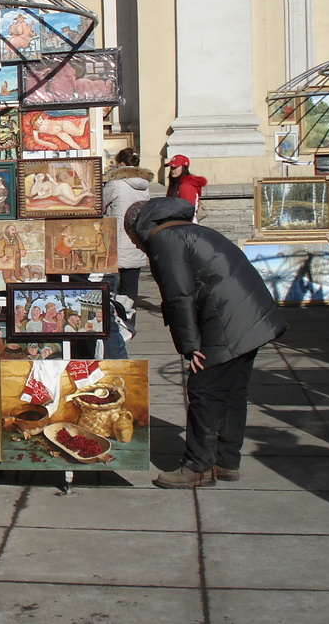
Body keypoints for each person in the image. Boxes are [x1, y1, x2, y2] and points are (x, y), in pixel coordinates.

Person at [123, 197, 288, 489]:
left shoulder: (165, 238)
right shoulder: (185, 229)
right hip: (250, 314)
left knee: (204, 390)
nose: (136, 247)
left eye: (133, 241)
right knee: (232, 391)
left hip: (228, 319)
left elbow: (179, 294)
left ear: (137, 229)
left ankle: (198, 466)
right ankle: (226, 461)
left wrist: (190, 346)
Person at [103, 147, 154, 326]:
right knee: (130, 288)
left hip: (115, 243)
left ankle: (112, 323)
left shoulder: (116, 184)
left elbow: (99, 204)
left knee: (108, 287)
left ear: (122, 164)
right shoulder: (144, 186)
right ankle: (129, 324)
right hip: (135, 243)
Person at [164, 154, 207, 221]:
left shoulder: (186, 187)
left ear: (184, 168)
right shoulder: (177, 185)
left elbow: (188, 211)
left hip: (185, 226)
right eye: (171, 167)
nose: (172, 170)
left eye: (175, 167)